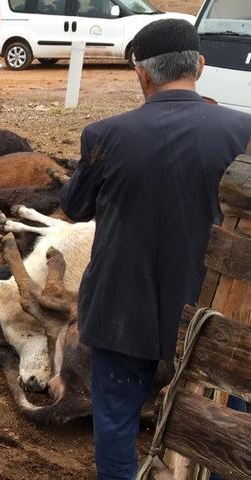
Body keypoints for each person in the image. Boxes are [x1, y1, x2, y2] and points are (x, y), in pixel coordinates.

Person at [59, 19, 251, 480]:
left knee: (115, 421)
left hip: (121, 309)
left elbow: (75, 207)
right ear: (200, 65)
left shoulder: (104, 135)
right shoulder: (243, 131)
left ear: (141, 73)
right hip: (212, 310)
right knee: (227, 421)